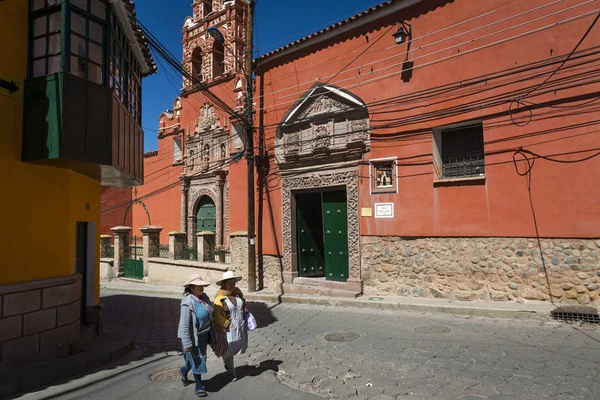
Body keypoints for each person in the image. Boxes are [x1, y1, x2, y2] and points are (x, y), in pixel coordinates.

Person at [177, 274, 213, 397]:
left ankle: (184, 370)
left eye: (202, 285)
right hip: (192, 337)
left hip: (203, 335)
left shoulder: (204, 297)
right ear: (192, 288)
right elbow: (185, 325)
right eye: (199, 286)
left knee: (195, 359)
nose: (202, 288)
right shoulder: (187, 303)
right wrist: (187, 343)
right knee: (198, 359)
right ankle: (199, 386)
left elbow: (210, 312)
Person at [212, 270, 248, 382]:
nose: (232, 285)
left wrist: (245, 308)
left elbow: (243, 303)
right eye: (229, 283)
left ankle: (228, 363)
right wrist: (226, 324)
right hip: (227, 329)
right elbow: (217, 315)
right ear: (224, 284)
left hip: (239, 326)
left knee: (235, 347)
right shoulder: (219, 298)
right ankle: (232, 372)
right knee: (228, 351)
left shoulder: (237, 293)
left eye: (234, 283)